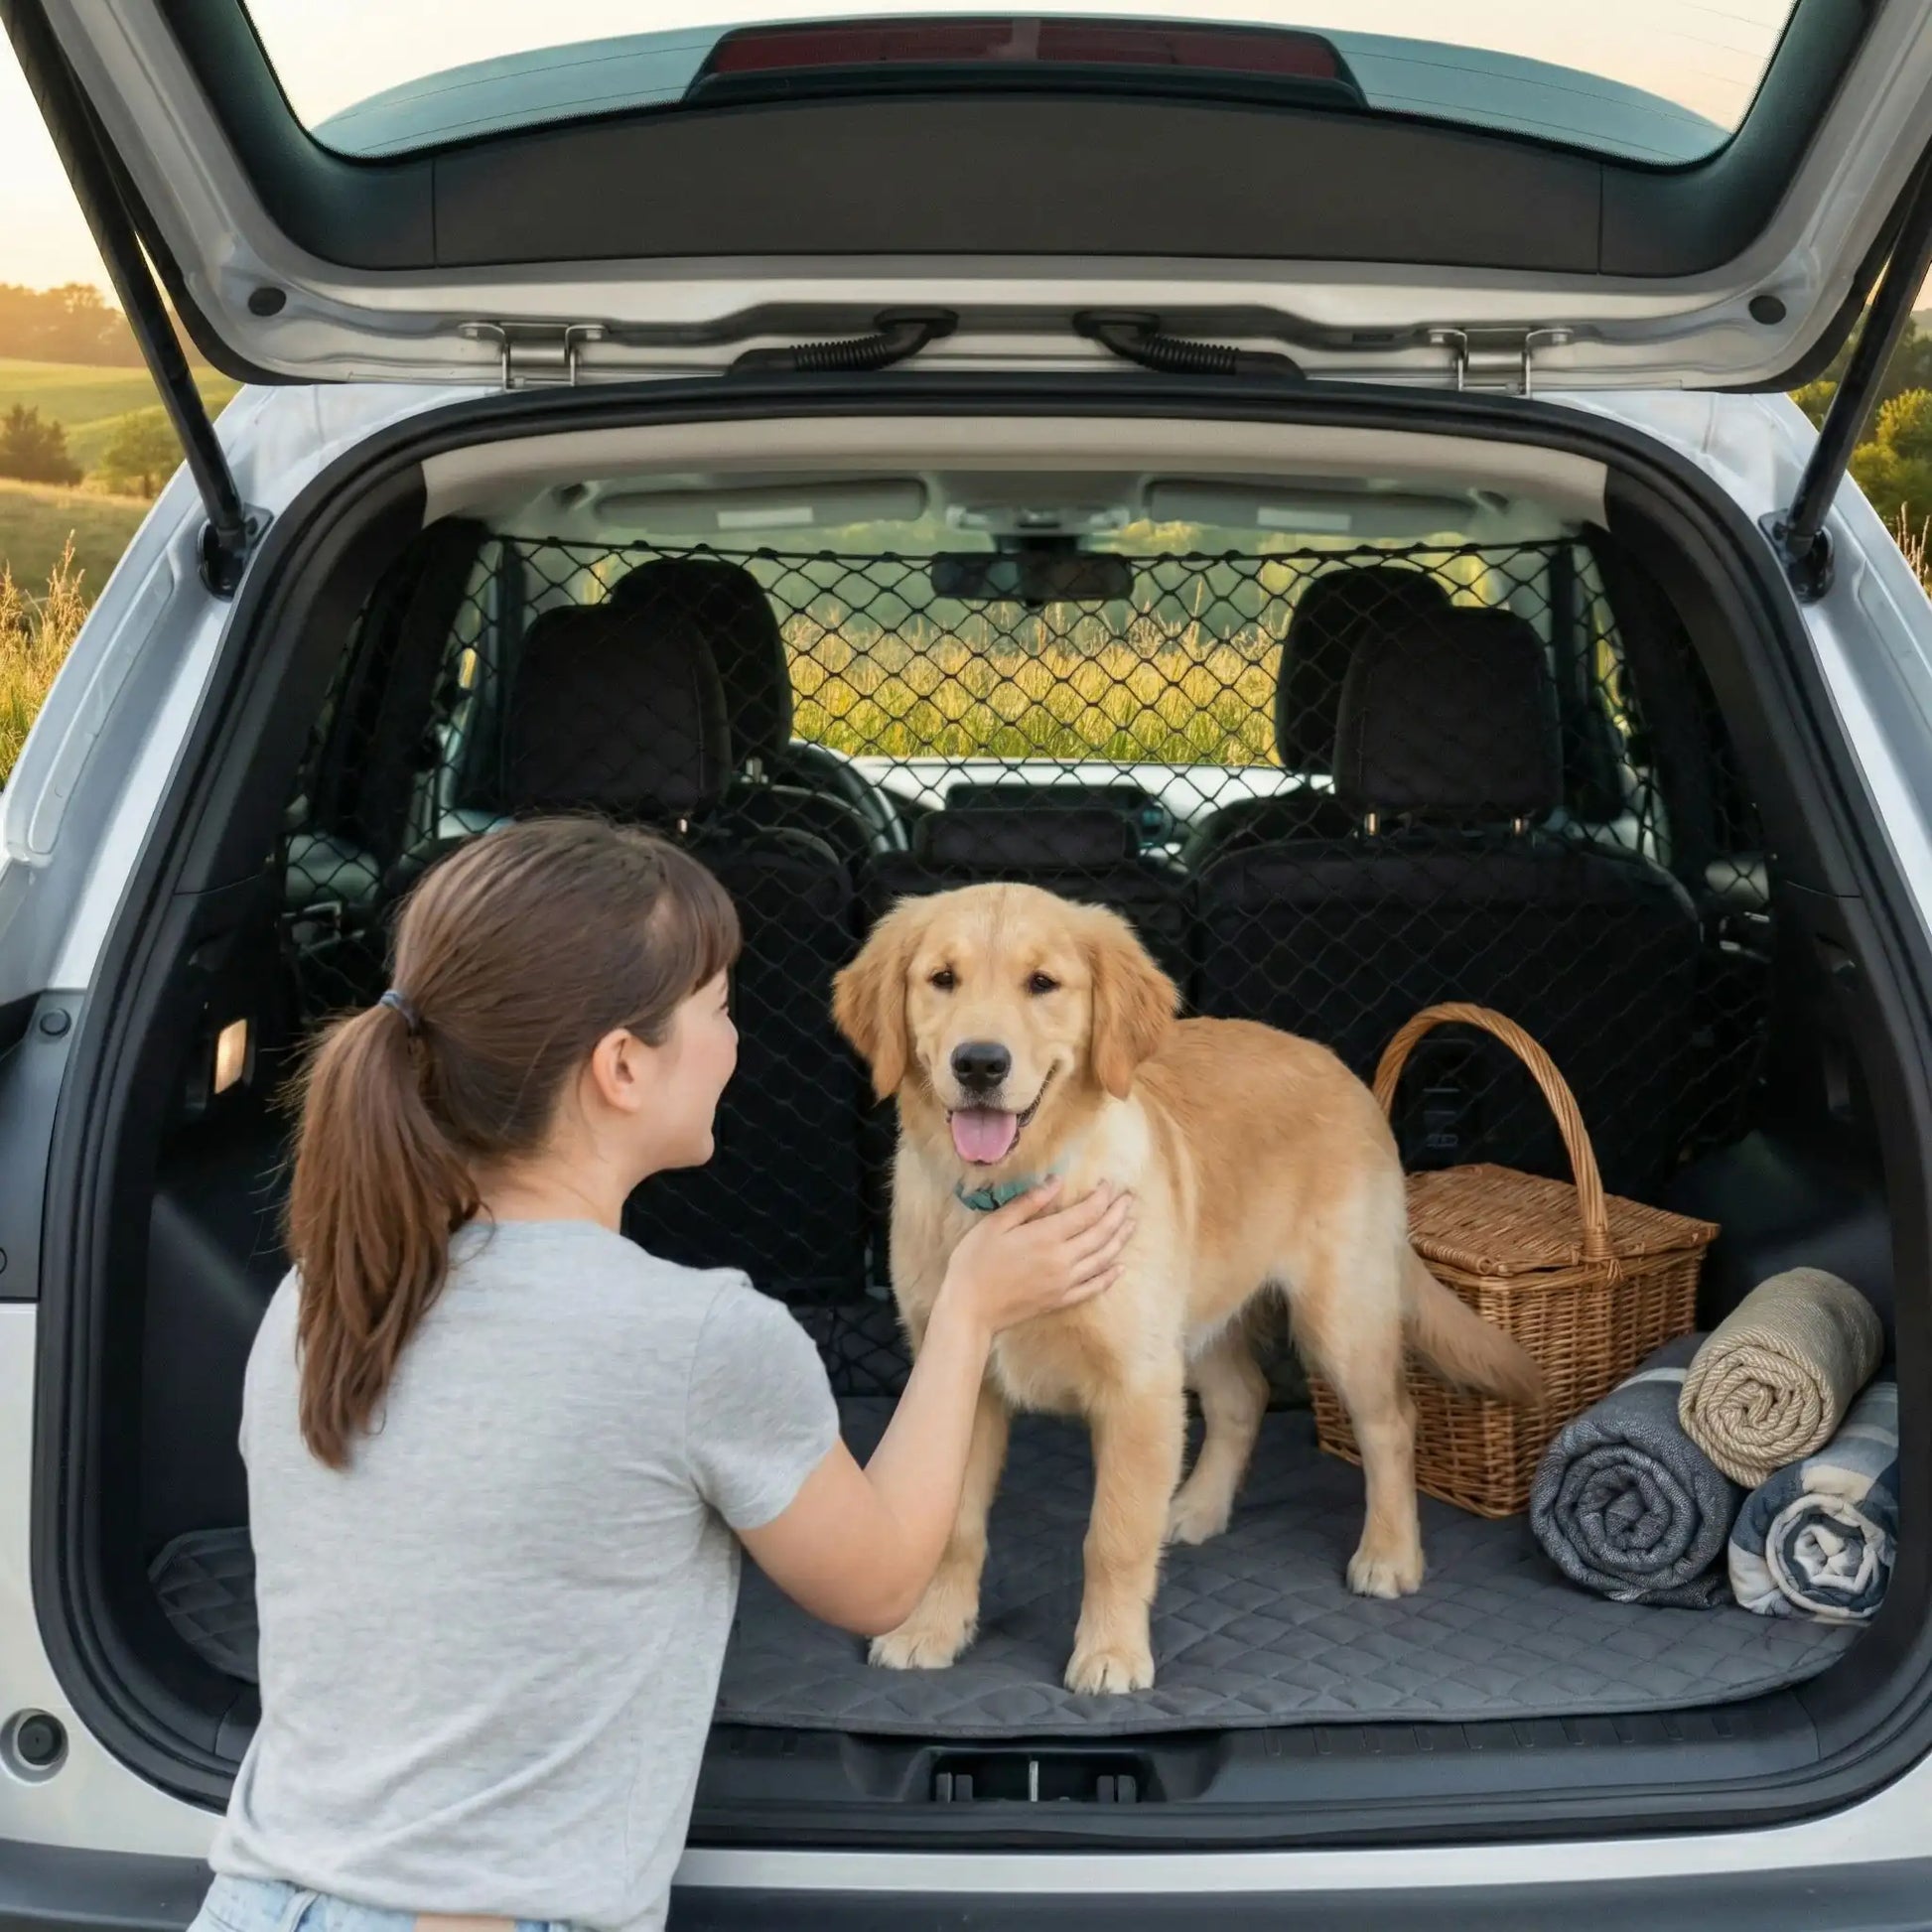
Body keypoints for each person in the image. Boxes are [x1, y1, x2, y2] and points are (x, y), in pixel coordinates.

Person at [189, 816, 1133, 1932]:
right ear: (624, 1067)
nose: (737, 1043)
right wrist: (969, 1306)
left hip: (256, 1895)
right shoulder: (697, 1336)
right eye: (721, 1011)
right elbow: (880, 1582)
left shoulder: (322, 1289)